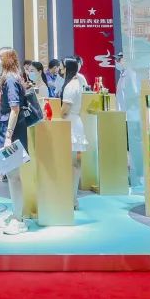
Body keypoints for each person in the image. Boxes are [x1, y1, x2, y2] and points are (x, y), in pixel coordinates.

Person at [0, 47, 29, 235]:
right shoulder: (10, 78)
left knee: (14, 176)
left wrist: (8, 136)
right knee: (11, 175)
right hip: (10, 130)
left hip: (12, 132)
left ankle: (19, 219)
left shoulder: (10, 79)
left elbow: (15, 109)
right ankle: (16, 214)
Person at [58, 58, 89, 208]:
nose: (60, 70)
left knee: (71, 164)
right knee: (74, 164)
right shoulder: (76, 83)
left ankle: (71, 198)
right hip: (74, 123)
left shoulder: (70, 86)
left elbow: (65, 111)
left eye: (62, 67)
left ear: (67, 68)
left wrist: (58, 115)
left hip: (70, 124)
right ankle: (72, 198)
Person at [114, 53, 144, 191]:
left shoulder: (130, 74)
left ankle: (138, 177)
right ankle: (133, 177)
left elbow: (135, 94)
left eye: (118, 59)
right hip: (125, 115)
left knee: (134, 147)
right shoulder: (123, 75)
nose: (117, 62)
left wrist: (131, 107)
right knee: (129, 147)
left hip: (132, 116)